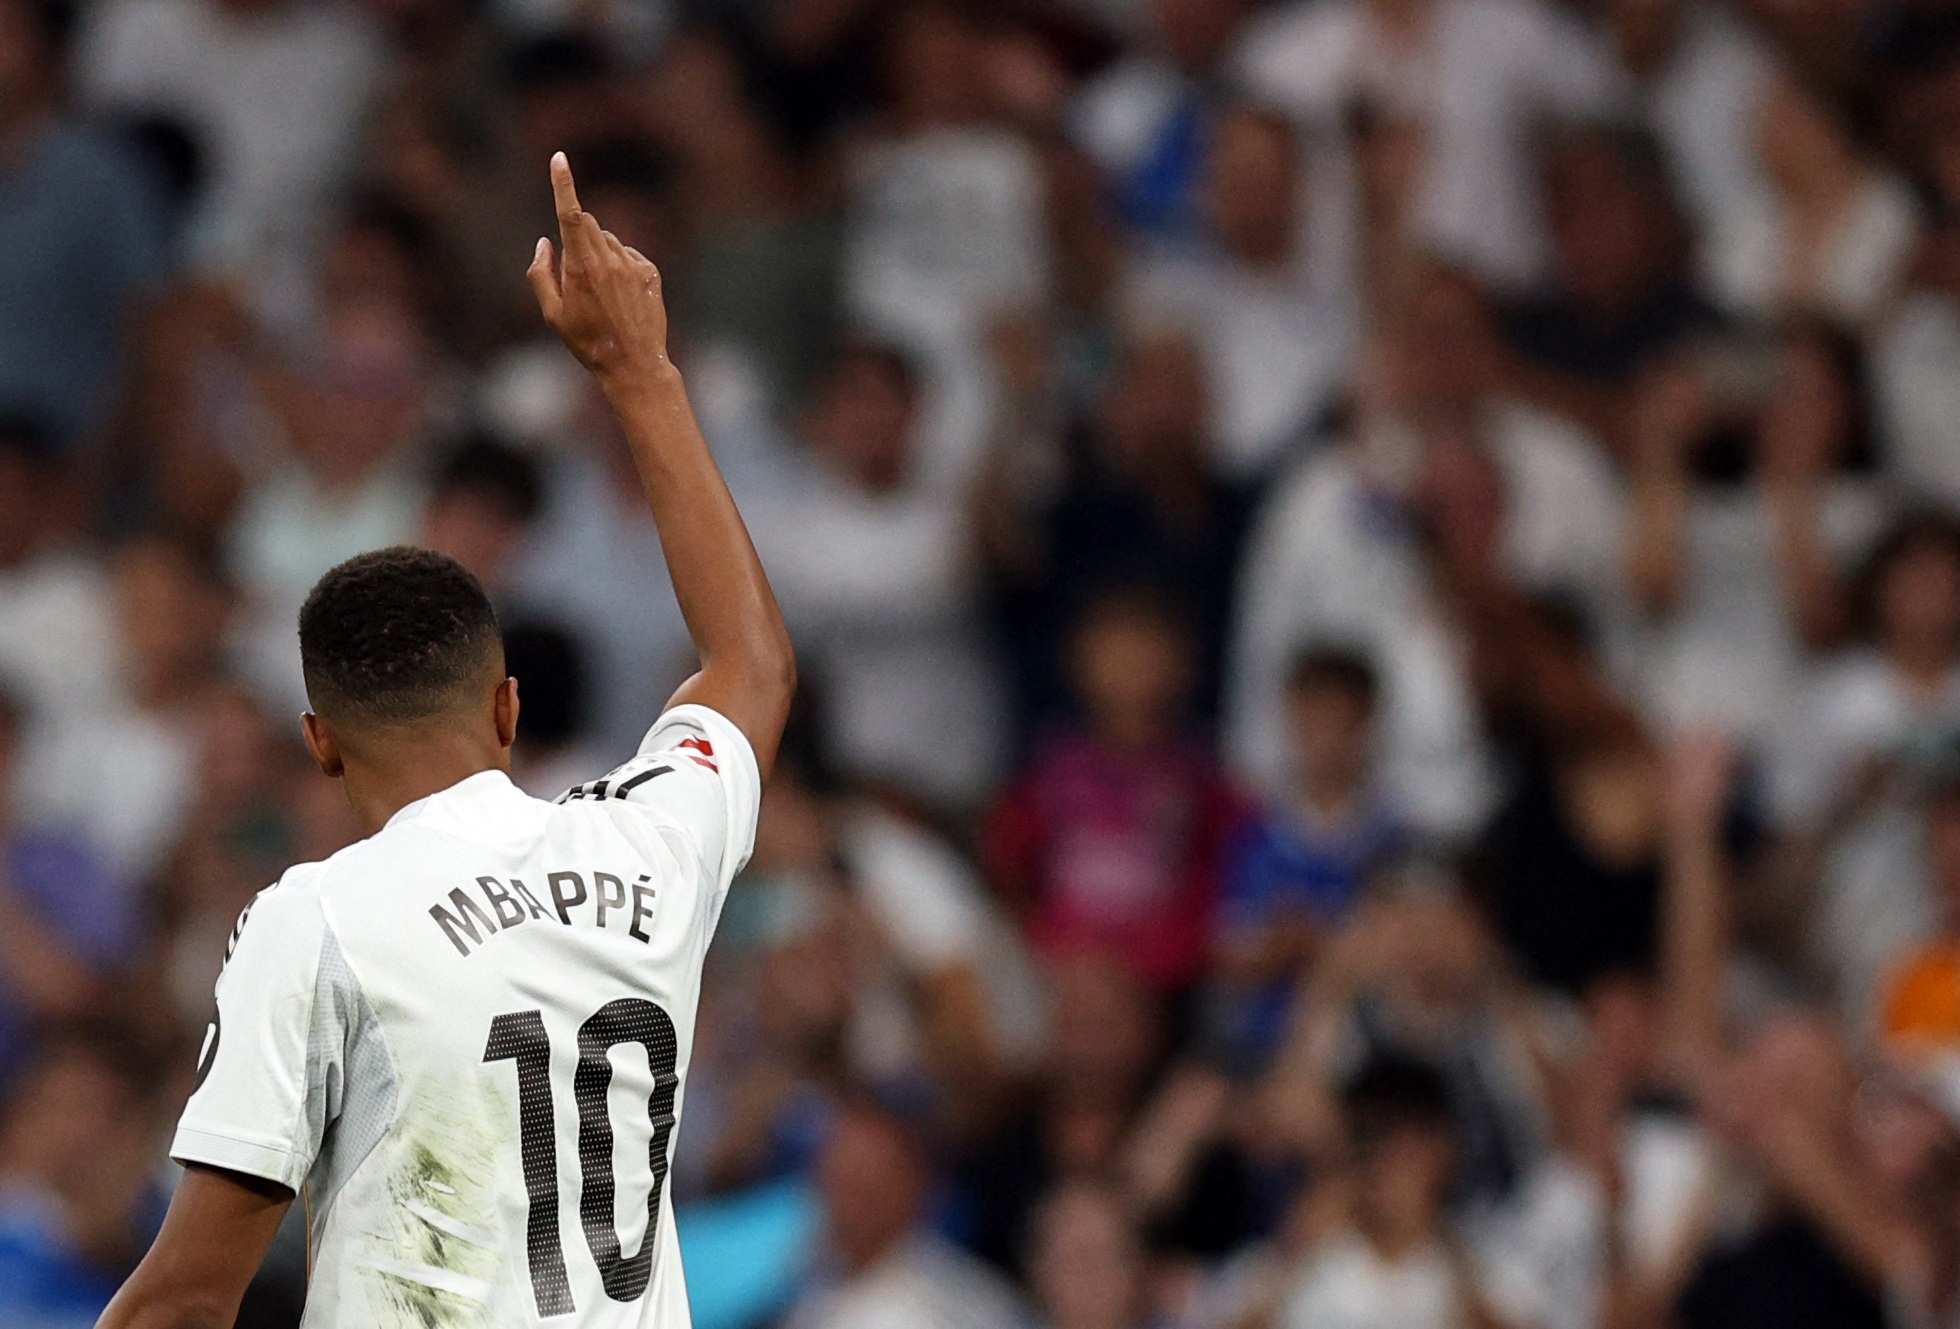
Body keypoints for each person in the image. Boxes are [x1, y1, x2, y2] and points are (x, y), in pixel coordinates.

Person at [96, 152, 796, 1328]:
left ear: (319, 743)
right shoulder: (650, 849)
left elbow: (183, 1303)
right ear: (508, 709)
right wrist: (639, 371)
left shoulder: (316, 918)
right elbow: (753, 660)